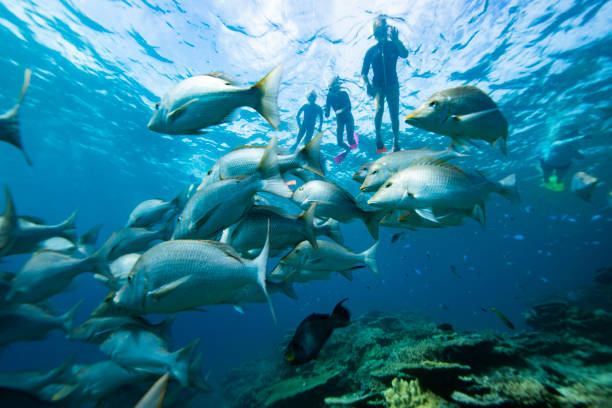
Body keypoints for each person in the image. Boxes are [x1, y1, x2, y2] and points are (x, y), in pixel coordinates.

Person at [362, 16, 408, 153]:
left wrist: (397, 40)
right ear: (374, 34)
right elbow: (363, 72)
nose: (382, 34)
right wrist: (367, 85)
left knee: (394, 113)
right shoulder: (371, 51)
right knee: (379, 110)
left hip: (393, 85)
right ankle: (378, 139)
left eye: (384, 30)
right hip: (377, 86)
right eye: (379, 32)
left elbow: (405, 54)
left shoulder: (394, 45)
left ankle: (396, 141)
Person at [325, 77, 357, 153]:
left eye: (335, 89)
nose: (334, 92)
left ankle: (354, 141)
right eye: (331, 90)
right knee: (339, 142)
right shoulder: (329, 97)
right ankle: (348, 149)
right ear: (329, 90)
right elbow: (328, 113)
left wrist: (341, 110)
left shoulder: (344, 94)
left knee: (350, 141)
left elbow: (349, 107)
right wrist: (326, 112)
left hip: (348, 118)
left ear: (338, 88)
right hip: (339, 120)